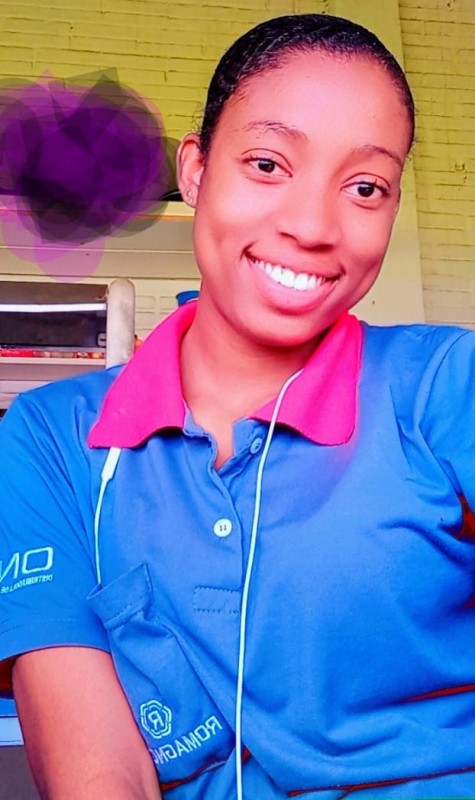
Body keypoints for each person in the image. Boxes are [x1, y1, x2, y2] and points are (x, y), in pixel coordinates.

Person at [1, 12, 475, 800]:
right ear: (195, 169)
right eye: (266, 164)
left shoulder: (444, 384)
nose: (312, 226)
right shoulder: (50, 439)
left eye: (364, 187)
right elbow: (97, 772)